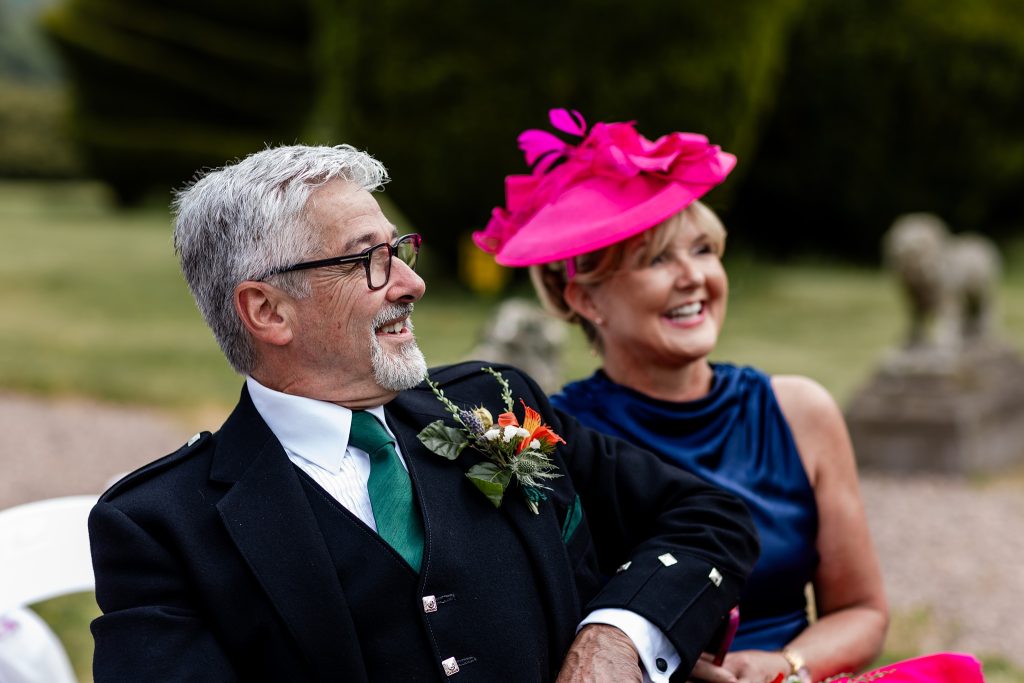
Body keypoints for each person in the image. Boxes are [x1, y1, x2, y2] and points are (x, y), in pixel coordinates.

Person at [88, 143, 759, 682]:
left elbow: (708, 516)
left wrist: (615, 636)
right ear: (267, 310)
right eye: (369, 261)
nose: (412, 283)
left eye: (398, 249)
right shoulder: (158, 528)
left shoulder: (493, 399)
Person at [473, 110, 889, 683]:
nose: (693, 276)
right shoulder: (559, 441)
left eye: (703, 250)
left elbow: (863, 611)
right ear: (588, 301)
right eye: (657, 260)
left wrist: (785, 665)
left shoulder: (800, 412)